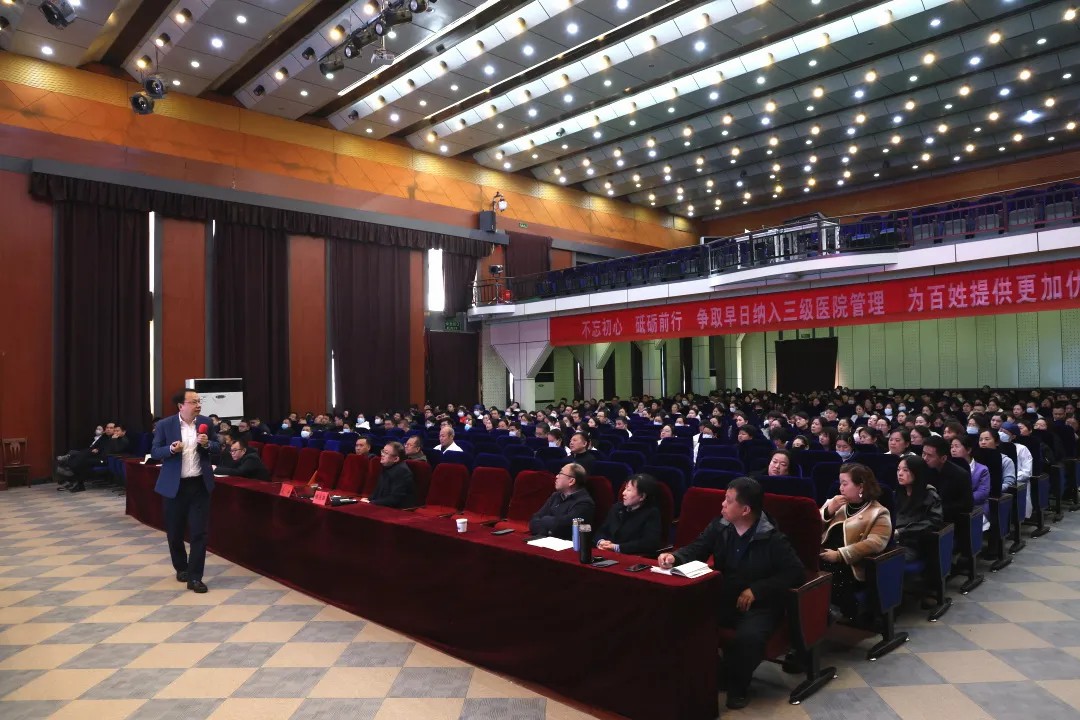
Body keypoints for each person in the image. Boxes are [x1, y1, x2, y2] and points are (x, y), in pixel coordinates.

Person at [657, 476, 804, 709]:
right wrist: (675, 557)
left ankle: (738, 687)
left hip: (760, 604)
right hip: (726, 595)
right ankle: (718, 672)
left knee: (748, 638)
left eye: (728, 500)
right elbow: (698, 548)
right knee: (685, 617)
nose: (722, 505)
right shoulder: (720, 525)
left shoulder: (772, 538)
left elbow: (795, 572)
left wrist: (757, 589)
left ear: (745, 510)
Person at [151, 388, 219, 594]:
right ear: (181, 405)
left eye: (199, 401)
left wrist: (208, 444)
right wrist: (171, 449)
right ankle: (181, 568)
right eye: (194, 402)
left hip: (199, 485)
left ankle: (195, 577)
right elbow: (155, 451)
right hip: (175, 487)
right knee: (175, 532)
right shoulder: (165, 425)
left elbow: (218, 448)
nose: (198, 405)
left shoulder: (206, 423)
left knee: (199, 532)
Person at [819, 464, 892, 622]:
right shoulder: (834, 503)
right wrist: (828, 511)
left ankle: (835, 615)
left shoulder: (878, 512)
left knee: (829, 574)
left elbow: (875, 543)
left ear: (861, 486)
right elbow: (810, 526)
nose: (841, 488)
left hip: (851, 565)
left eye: (845, 484)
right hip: (822, 554)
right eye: (840, 483)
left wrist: (840, 555)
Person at [594, 474, 663, 556]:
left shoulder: (651, 513)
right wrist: (601, 541)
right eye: (625, 489)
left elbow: (649, 543)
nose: (623, 493)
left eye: (629, 490)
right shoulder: (617, 508)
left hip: (631, 556)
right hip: (606, 553)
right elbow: (601, 530)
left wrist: (616, 547)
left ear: (642, 496)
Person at [894, 456, 944, 562]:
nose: (900, 473)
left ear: (917, 472)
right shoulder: (897, 493)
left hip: (913, 544)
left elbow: (933, 522)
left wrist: (901, 532)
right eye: (898, 469)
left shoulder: (930, 495)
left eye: (905, 470)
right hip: (893, 540)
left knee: (882, 559)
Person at [528, 463, 595, 539]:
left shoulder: (585, 503)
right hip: (545, 540)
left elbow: (566, 528)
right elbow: (534, 519)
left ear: (571, 481)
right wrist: (547, 529)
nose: (556, 476)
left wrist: (545, 520)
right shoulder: (555, 496)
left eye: (560, 473)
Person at [920, 436, 973, 526]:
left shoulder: (960, 475)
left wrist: (936, 509)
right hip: (924, 517)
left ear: (943, 458)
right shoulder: (921, 469)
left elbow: (966, 506)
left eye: (930, 455)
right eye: (923, 454)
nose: (925, 458)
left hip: (951, 521)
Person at [362, 441, 415, 508]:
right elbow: (378, 491)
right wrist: (369, 499)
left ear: (395, 459)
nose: (382, 454)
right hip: (383, 505)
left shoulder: (402, 471)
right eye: (383, 451)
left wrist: (371, 503)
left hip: (397, 510)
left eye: (386, 453)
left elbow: (395, 499)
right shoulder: (387, 467)